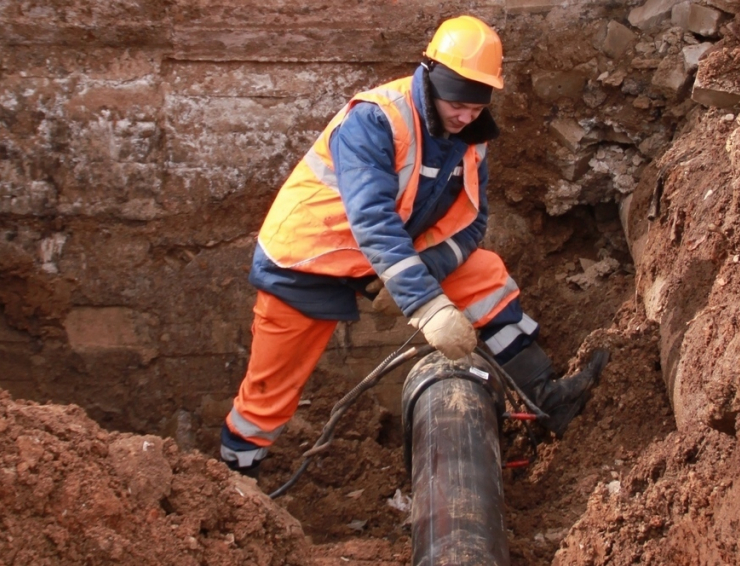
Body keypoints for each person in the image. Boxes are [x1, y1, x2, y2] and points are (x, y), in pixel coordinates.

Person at [220, 15, 610, 477]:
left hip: (388, 257)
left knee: (484, 276)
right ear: (433, 80)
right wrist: (426, 304)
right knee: (268, 394)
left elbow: (471, 222)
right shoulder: (375, 120)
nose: (467, 116)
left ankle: (546, 399)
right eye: (459, 104)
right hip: (309, 261)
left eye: (478, 107)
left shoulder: (469, 136)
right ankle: (235, 489)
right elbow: (372, 219)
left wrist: (428, 266)